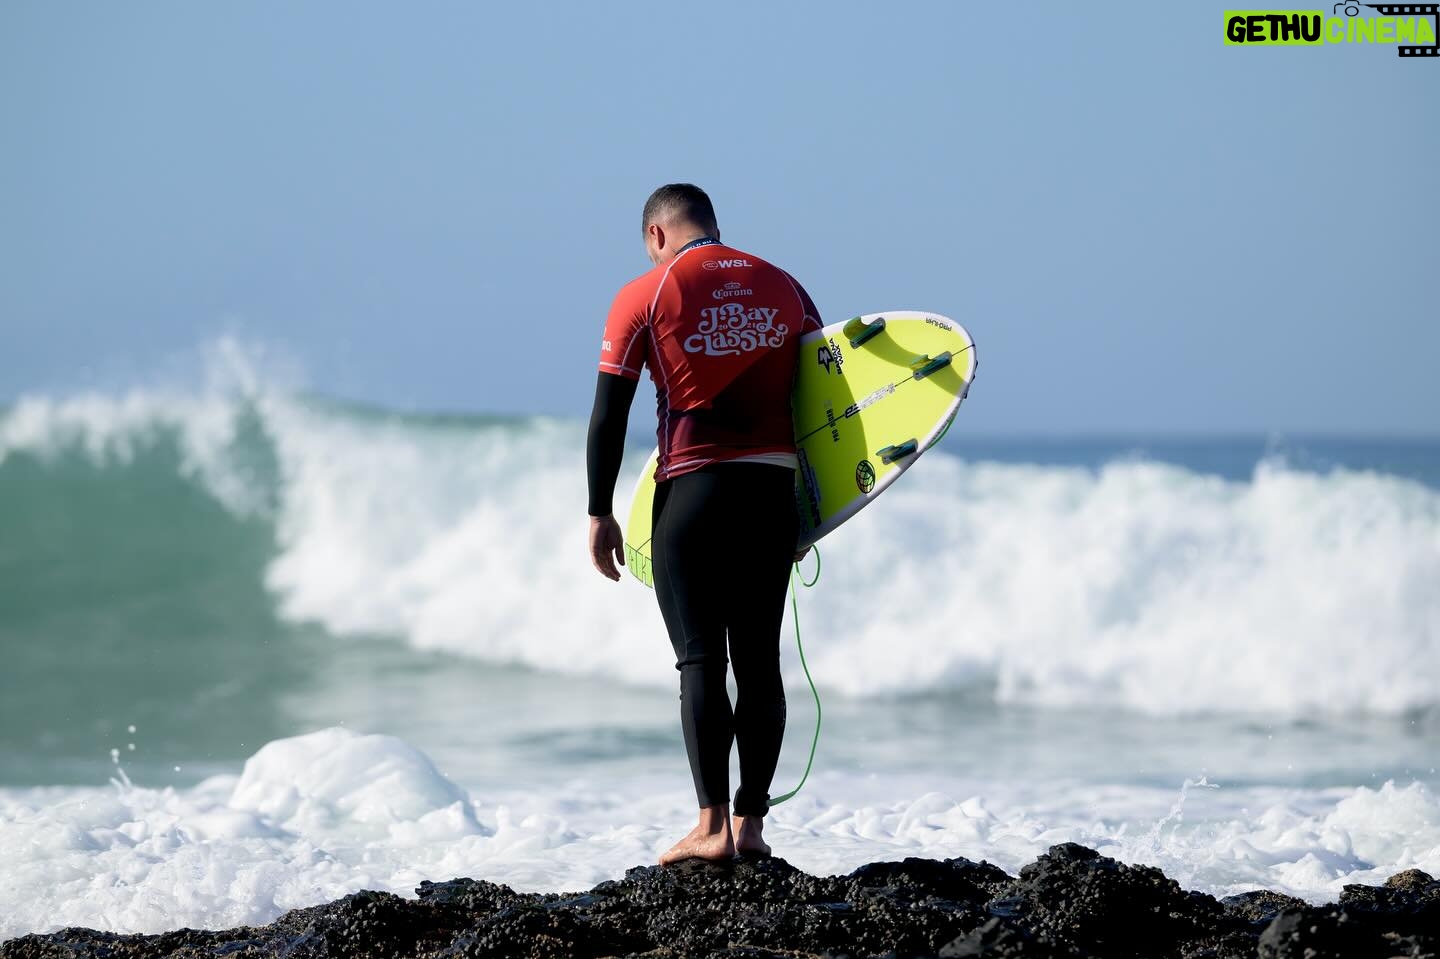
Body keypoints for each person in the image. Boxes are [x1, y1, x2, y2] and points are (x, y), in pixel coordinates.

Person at [585, 184, 822, 865]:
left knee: (700, 660)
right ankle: (751, 826)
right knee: (760, 663)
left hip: (693, 495)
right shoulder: (787, 287)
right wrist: (810, 509)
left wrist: (600, 510)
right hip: (772, 496)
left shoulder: (646, 293)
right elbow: (823, 401)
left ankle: (710, 825)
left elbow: (609, 414)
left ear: (656, 235)